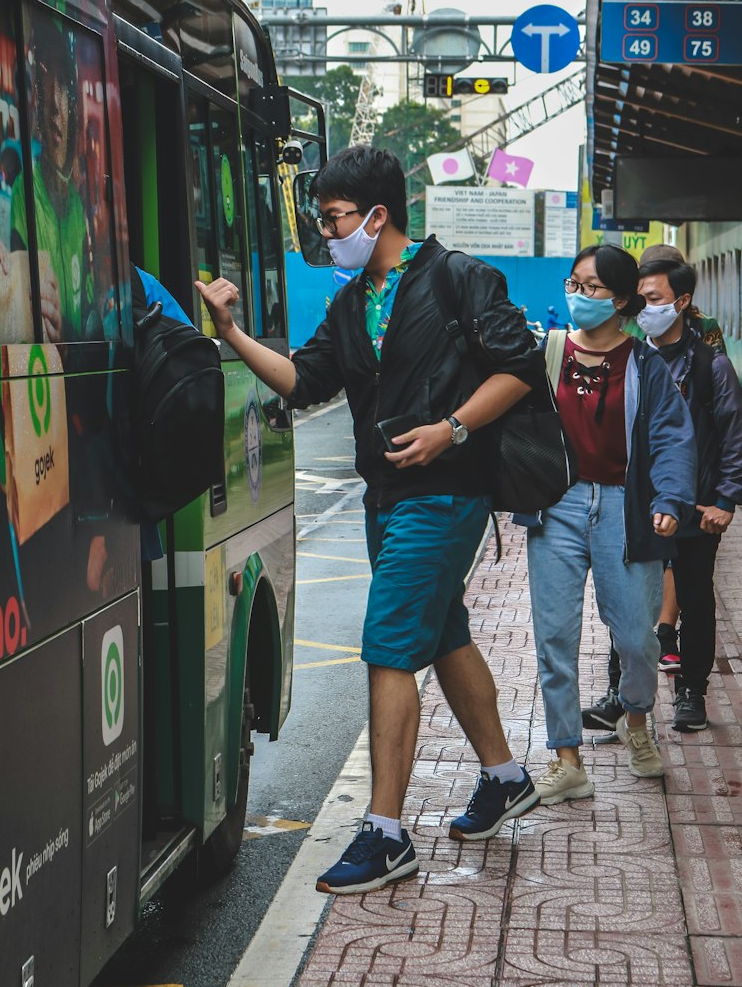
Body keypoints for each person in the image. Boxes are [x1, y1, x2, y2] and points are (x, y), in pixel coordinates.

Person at [196, 146, 545, 895]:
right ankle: (505, 777)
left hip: (446, 493)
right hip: (384, 499)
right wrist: (230, 332)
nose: (327, 234)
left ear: (377, 215)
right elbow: (303, 380)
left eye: (334, 219)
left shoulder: (459, 279)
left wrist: (451, 427)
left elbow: (520, 368)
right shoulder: (353, 303)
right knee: (444, 633)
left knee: (389, 646)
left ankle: (386, 835)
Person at [526, 245, 696, 803]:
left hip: (627, 508)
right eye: (574, 283)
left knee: (635, 638)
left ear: (621, 299)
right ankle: (567, 758)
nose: (579, 295)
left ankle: (638, 720)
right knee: (555, 636)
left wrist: (671, 498)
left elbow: (673, 437)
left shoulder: (646, 364)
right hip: (559, 506)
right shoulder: (546, 353)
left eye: (593, 288)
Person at [585, 258, 742, 733]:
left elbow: (735, 438)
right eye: (641, 299)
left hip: (696, 509)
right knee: (627, 603)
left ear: (682, 303)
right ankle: (619, 694)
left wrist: (726, 500)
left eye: (656, 299)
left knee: (697, 601)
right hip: (637, 506)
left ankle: (691, 694)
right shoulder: (629, 357)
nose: (646, 308)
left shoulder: (710, 366)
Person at [10, 13, 93, 342]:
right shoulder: (23, 193)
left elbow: (86, 309)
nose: (54, 107)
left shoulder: (76, 207)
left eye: (62, 86)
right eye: (44, 91)